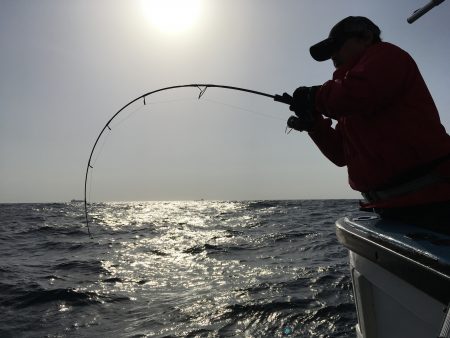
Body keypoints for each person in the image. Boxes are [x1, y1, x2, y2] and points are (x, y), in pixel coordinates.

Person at [286, 16, 450, 233]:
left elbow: (358, 93)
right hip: (389, 210)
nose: (333, 56)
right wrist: (314, 125)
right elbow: (341, 155)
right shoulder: (346, 99)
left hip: (435, 203)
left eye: (337, 46)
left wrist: (315, 96)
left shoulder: (387, 55)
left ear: (366, 37)